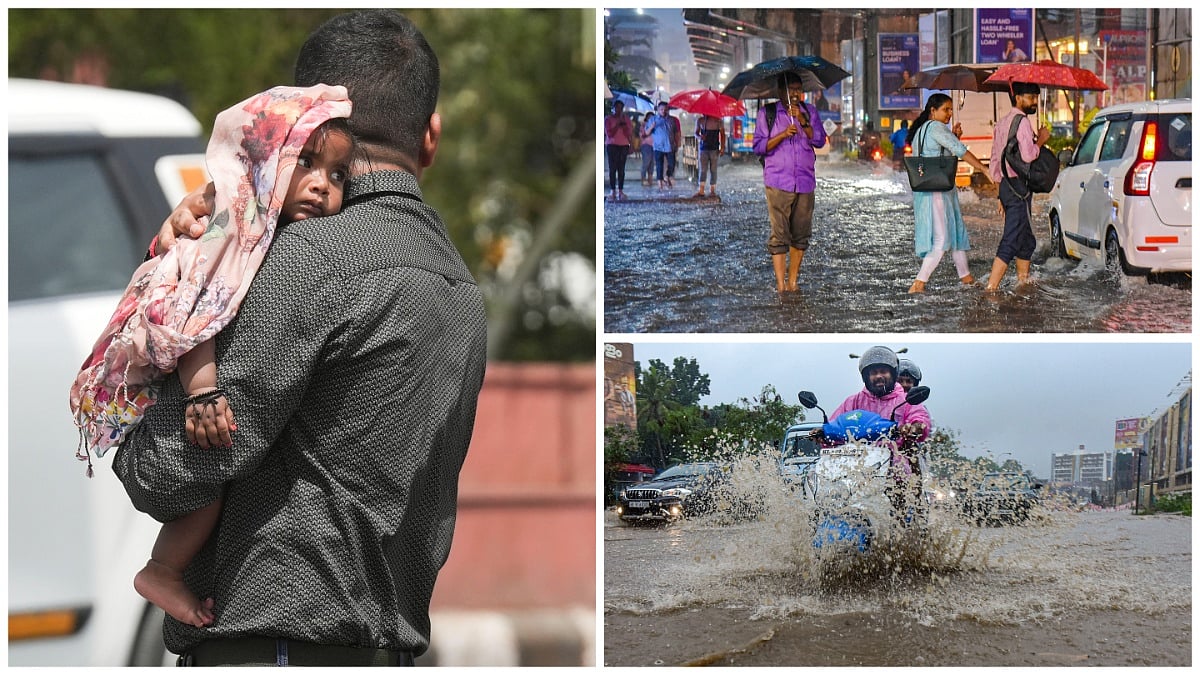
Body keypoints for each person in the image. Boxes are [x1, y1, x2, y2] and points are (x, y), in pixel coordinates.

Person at [115, 10, 488, 666]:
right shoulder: (463, 292)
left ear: (296, 123)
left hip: (277, 648)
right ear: (431, 137)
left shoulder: (308, 259)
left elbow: (165, 474)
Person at [71, 85, 353, 629]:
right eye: (307, 164)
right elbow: (196, 305)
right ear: (266, 160)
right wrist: (203, 390)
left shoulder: (271, 229)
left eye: (338, 176)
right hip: (173, 370)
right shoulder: (232, 220)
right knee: (209, 476)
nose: (322, 184)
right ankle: (162, 569)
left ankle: (163, 568)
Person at [830, 347, 931, 522]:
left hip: (895, 473)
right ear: (866, 377)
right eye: (874, 372)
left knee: (904, 518)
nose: (878, 376)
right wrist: (822, 433)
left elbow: (919, 418)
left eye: (883, 371)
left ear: (892, 374)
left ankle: (911, 530)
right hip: (856, 472)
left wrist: (915, 428)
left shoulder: (906, 400)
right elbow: (835, 424)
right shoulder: (853, 401)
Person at [904, 93, 991, 293]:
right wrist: (983, 169)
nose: (950, 114)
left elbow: (940, 151)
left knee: (956, 235)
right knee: (942, 240)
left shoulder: (922, 130)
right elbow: (959, 150)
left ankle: (966, 277)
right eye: (946, 109)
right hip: (937, 191)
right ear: (933, 111)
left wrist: (954, 136)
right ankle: (919, 283)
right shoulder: (935, 127)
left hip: (936, 189)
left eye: (951, 109)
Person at [752, 73, 826, 292]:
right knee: (780, 233)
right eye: (790, 89)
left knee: (801, 234)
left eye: (798, 89)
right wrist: (783, 134)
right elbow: (758, 147)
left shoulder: (809, 112)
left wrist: (803, 122)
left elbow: (820, 140)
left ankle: (793, 281)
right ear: (779, 91)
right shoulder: (768, 114)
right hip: (778, 181)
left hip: (805, 181)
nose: (795, 93)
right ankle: (781, 284)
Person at [986, 81, 1050, 292]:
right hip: (1019, 188)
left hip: (1006, 185)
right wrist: (1040, 140)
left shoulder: (1002, 122)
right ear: (1018, 98)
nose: (1034, 102)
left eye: (1035, 98)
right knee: (1012, 237)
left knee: (1027, 238)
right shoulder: (1022, 122)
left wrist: (1000, 194)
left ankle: (1023, 282)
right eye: (1030, 97)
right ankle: (991, 288)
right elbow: (1028, 155)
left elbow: (995, 160)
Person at [604, 99, 633, 201]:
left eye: (621, 108)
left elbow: (629, 133)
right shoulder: (608, 119)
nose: (619, 110)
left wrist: (624, 125)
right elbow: (609, 133)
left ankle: (620, 190)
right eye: (617, 108)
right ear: (614, 108)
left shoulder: (626, 119)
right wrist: (617, 125)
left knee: (621, 169)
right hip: (612, 145)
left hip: (624, 145)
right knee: (613, 168)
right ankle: (613, 190)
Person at [693, 113, 725, 197]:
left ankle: (712, 190)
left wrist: (722, 147)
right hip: (703, 148)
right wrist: (700, 137)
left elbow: (722, 134)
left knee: (713, 169)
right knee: (703, 169)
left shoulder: (718, 121)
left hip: (714, 148)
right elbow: (696, 133)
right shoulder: (700, 120)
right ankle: (701, 190)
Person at [646, 102, 676, 188]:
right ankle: (660, 183)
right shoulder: (653, 119)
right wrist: (652, 126)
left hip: (669, 146)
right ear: (658, 110)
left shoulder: (671, 120)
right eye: (661, 109)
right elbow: (647, 132)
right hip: (658, 146)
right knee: (659, 165)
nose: (663, 111)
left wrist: (676, 142)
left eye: (665, 109)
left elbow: (674, 131)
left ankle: (667, 176)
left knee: (672, 163)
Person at [639, 111, 656, 186]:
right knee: (646, 162)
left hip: (654, 146)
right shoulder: (644, 125)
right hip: (646, 145)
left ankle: (650, 179)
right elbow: (643, 135)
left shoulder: (655, 125)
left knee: (652, 163)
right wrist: (650, 129)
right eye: (649, 117)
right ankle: (643, 179)